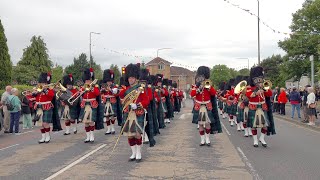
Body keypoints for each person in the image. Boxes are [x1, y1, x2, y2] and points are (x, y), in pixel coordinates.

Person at [119, 63, 150, 162]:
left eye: (132, 78)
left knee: (137, 134)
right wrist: (116, 91)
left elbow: (146, 101)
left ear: (136, 78)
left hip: (138, 112)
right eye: (129, 78)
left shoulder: (140, 88)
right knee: (129, 134)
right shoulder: (127, 89)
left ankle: (139, 152)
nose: (130, 80)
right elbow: (121, 98)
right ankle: (133, 153)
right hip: (128, 113)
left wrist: (137, 105)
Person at [190, 66, 222, 146]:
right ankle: (202, 139)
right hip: (199, 106)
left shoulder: (208, 84)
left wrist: (208, 87)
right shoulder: (195, 85)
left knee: (208, 123)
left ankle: (207, 138)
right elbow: (192, 94)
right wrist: (198, 89)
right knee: (200, 124)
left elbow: (213, 93)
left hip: (207, 105)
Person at [246, 66, 275, 147]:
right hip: (253, 107)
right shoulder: (249, 88)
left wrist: (265, 89)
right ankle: (255, 140)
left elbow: (269, 94)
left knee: (265, 124)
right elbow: (249, 95)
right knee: (253, 125)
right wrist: (256, 92)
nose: (259, 82)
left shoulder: (263, 86)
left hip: (262, 107)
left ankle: (262, 138)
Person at [79, 68, 101, 143]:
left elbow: (98, 94)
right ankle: (87, 136)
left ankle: (92, 135)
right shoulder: (83, 87)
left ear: (91, 80)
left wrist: (92, 89)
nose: (87, 81)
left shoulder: (95, 86)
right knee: (86, 122)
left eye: (88, 80)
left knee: (91, 121)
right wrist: (81, 92)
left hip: (92, 104)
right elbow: (80, 96)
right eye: (86, 80)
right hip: (85, 104)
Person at [33, 72, 56, 143]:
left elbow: (51, 96)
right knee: (40, 123)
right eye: (41, 83)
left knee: (45, 123)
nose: (42, 84)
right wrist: (35, 92)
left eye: (43, 83)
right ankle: (43, 137)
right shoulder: (38, 88)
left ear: (46, 83)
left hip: (47, 106)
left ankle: (47, 136)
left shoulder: (49, 89)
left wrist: (45, 90)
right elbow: (34, 96)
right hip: (39, 107)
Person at [100, 69, 119, 135]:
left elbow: (116, 94)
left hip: (112, 101)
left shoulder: (115, 86)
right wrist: (102, 90)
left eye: (110, 81)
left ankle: (113, 128)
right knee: (106, 116)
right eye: (108, 81)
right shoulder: (103, 86)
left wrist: (110, 89)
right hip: (106, 101)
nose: (109, 82)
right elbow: (101, 94)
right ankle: (108, 129)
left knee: (112, 116)